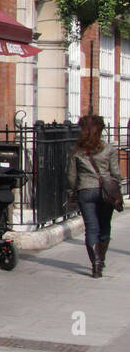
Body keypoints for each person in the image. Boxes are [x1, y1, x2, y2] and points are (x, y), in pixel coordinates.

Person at [67, 113, 121, 278]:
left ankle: (95, 264)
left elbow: (71, 176)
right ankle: (101, 259)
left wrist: (71, 193)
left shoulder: (77, 151)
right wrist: (115, 186)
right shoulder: (109, 149)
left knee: (91, 228)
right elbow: (116, 173)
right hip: (105, 192)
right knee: (105, 226)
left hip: (85, 191)